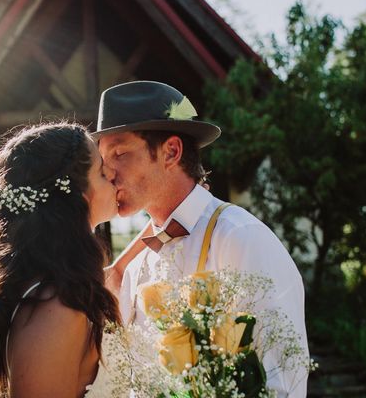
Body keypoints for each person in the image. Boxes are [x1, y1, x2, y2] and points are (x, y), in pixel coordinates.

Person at [96, 81, 309, 397]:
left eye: (120, 153)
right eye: (104, 160)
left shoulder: (240, 239)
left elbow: (283, 381)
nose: (108, 173)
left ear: (171, 152)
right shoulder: (135, 268)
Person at [0, 122, 120, 398]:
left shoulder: (63, 291)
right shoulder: (55, 309)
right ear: (80, 199)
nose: (114, 177)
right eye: (103, 173)